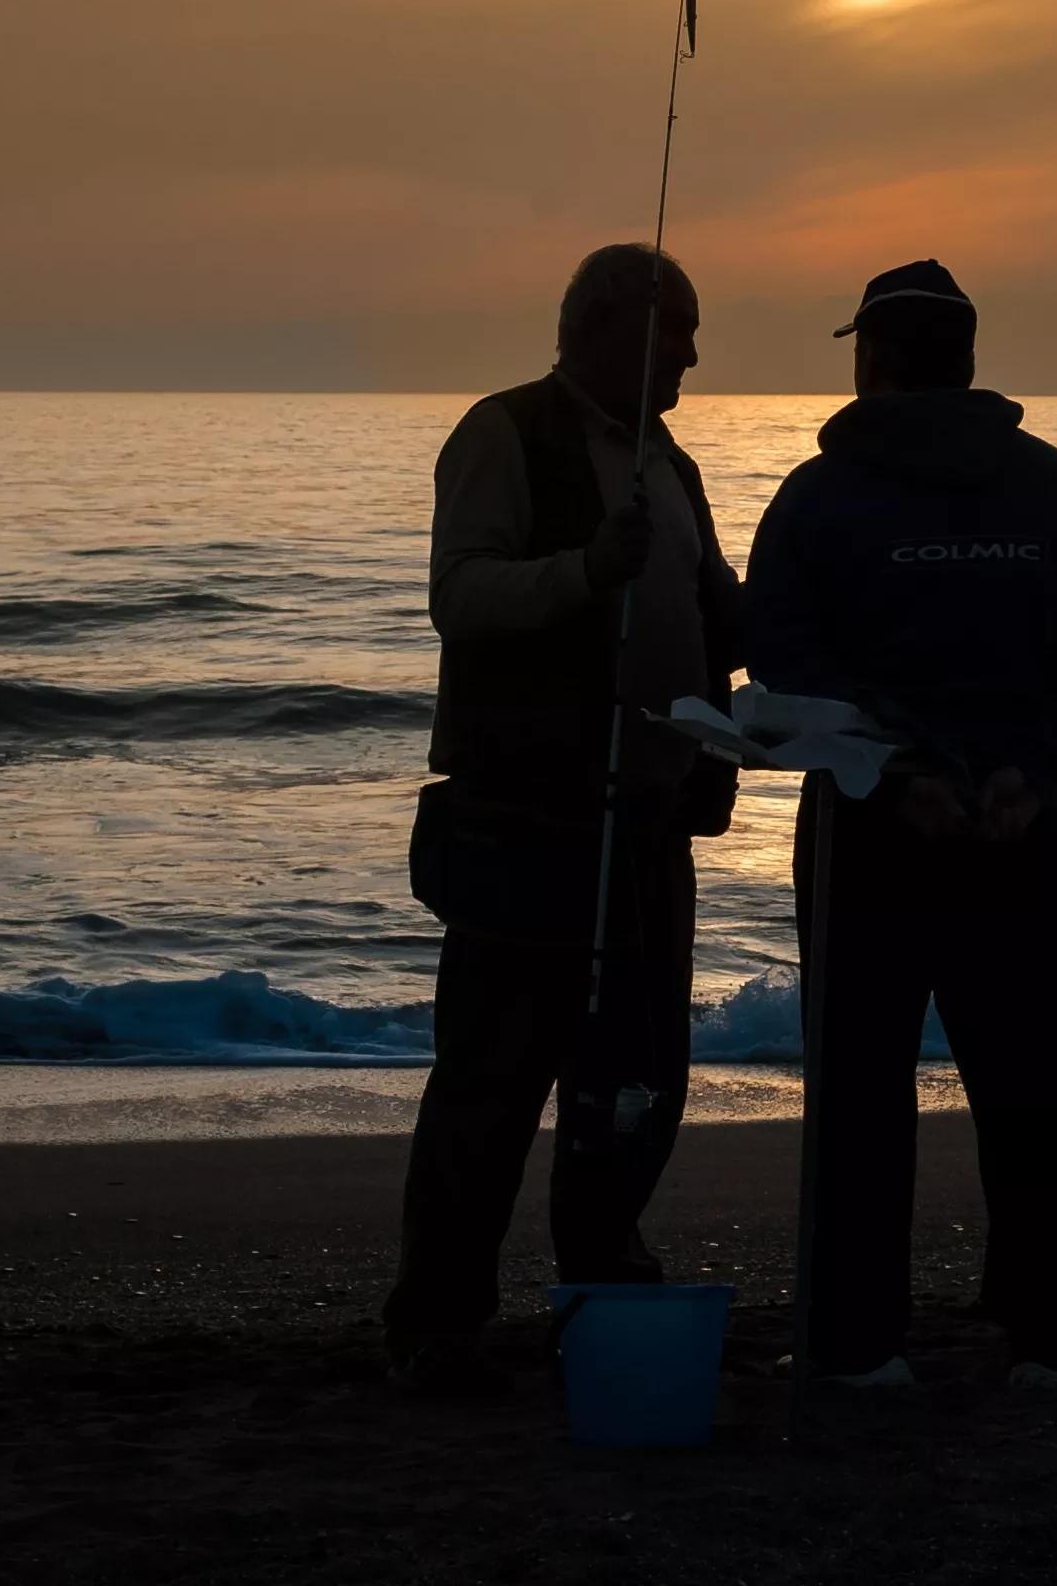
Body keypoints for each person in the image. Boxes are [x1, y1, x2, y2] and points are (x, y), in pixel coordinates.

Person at [745, 257, 1057, 1389]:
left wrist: (894, 769)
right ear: (968, 363)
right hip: (1016, 824)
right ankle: (1047, 1340)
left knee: (860, 1086)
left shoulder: (816, 497)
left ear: (872, 359)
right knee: (1022, 1081)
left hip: (869, 827)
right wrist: (1031, 764)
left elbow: (777, 652)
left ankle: (855, 1344)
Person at [380, 243, 743, 1387]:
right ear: (609, 325)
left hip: (645, 817)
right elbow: (458, 595)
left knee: (636, 1072)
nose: (691, 349)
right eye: (676, 327)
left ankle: (602, 1270)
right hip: (527, 819)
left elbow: (710, 609)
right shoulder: (504, 432)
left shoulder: (670, 463)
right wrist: (586, 569)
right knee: (491, 1076)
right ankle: (439, 1314)